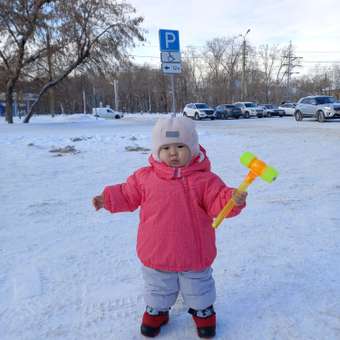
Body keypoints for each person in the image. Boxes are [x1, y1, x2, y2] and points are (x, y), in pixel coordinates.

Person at [92, 116, 247, 338]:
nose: (173, 153)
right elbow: (126, 193)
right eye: (166, 148)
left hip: (194, 251)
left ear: (192, 148)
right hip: (157, 249)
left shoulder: (205, 180)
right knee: (157, 284)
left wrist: (232, 199)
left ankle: (203, 311)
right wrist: (107, 199)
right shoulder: (145, 178)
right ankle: (157, 310)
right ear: (157, 151)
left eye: (180, 146)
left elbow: (218, 202)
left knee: (198, 285)